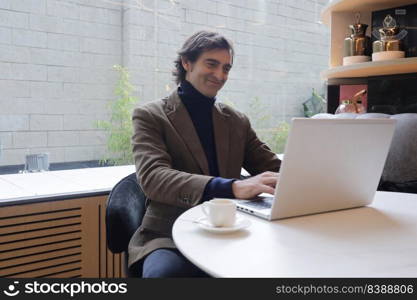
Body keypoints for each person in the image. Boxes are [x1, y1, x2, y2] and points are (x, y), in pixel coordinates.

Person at [128, 30, 281, 277]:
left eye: (226, 68)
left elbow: (272, 167)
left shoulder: (236, 121)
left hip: (232, 228)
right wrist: (233, 187)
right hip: (167, 234)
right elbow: (154, 178)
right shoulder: (150, 115)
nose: (220, 75)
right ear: (187, 63)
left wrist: (314, 173)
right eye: (211, 64)